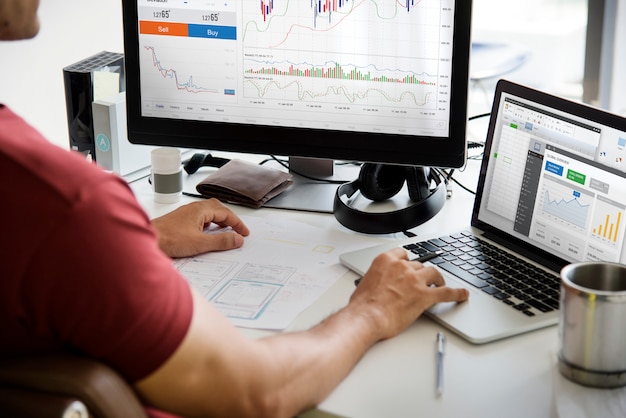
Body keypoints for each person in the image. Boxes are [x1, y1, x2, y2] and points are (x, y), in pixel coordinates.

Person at [0, 1, 470, 417]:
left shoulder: (42, 207)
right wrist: (371, 310)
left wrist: (122, 240)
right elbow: (257, 394)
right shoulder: (63, 204)